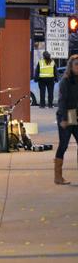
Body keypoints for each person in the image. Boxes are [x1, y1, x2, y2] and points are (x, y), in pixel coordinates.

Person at [55, 55, 78, 185]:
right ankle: (58, 176)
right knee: (63, 145)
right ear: (71, 66)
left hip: (74, 114)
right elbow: (62, 101)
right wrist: (63, 119)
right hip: (65, 114)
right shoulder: (65, 81)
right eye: (76, 65)